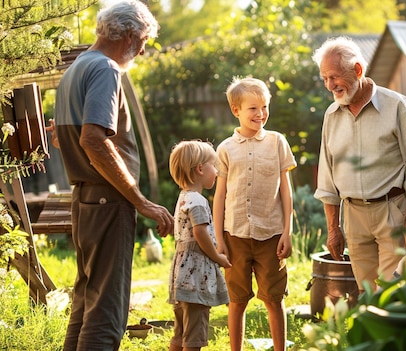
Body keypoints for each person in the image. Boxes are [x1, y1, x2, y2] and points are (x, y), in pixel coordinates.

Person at [51, 1, 174, 350]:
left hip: (86, 201)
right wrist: (141, 200)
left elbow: (63, 137)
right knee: (108, 312)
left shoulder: (77, 67)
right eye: (145, 39)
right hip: (107, 202)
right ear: (131, 35)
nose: (145, 48)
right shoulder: (106, 69)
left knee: (87, 301)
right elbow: (92, 139)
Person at [312, 36, 406, 293]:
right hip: (353, 215)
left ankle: (395, 333)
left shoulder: (396, 105)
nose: (330, 86)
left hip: (392, 210)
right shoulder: (331, 116)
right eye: (324, 79)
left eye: (334, 77)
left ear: (358, 70)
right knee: (366, 291)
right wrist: (333, 229)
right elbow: (328, 179)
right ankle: (374, 335)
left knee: (392, 290)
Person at [212, 77, 296, 351]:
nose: (260, 114)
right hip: (234, 234)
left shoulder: (277, 142)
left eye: (264, 107)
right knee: (237, 300)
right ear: (236, 110)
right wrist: (219, 239)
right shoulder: (225, 149)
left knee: (274, 298)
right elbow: (220, 195)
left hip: (270, 234)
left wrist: (287, 231)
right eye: (252, 108)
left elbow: (286, 191)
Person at [167, 140, 231, 351]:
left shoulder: (184, 198)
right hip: (195, 277)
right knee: (194, 334)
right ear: (200, 169)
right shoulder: (198, 201)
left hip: (181, 276)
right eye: (214, 165)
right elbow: (200, 233)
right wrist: (217, 257)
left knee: (181, 331)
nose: (217, 170)